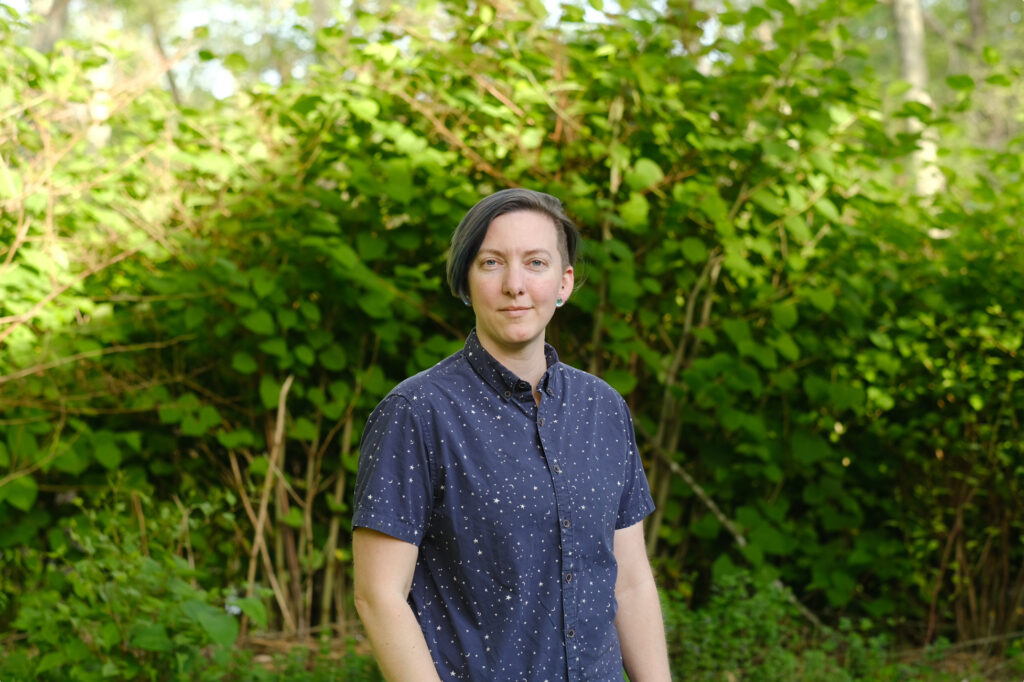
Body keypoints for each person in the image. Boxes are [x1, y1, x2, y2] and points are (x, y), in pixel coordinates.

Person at [352, 188, 671, 681]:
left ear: (564, 283)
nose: (515, 285)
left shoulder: (603, 409)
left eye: (536, 263)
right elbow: (378, 595)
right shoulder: (417, 413)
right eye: (492, 262)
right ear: (466, 281)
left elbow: (629, 582)